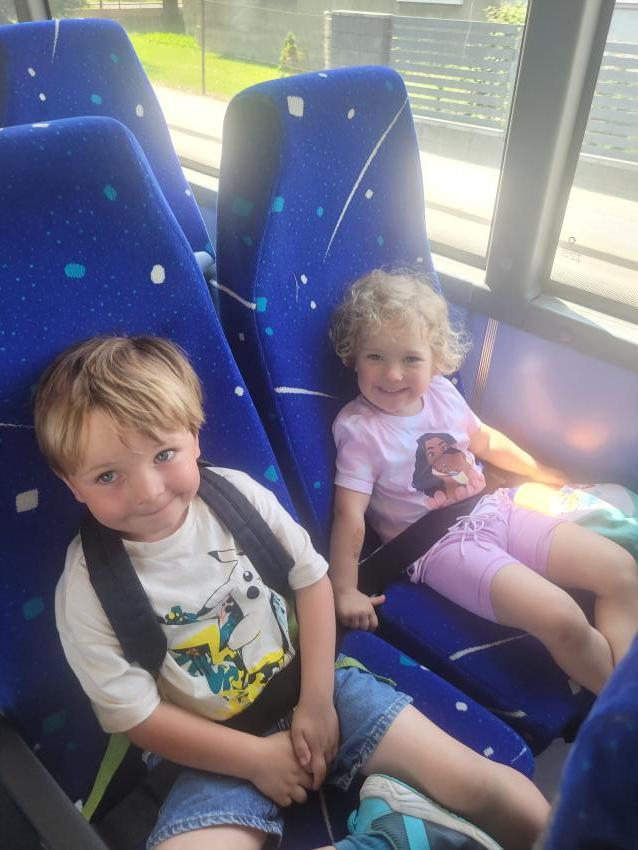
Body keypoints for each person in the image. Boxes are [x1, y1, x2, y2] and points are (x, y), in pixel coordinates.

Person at [34, 335, 549, 850]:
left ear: (194, 437)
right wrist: (256, 759)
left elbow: (311, 582)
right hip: (214, 751)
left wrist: (318, 701)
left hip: (320, 687)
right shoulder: (88, 590)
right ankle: (399, 837)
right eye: (108, 476)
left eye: (164, 454)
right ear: (72, 484)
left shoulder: (238, 497)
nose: (147, 492)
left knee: (483, 789)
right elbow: (139, 717)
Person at [329, 269, 638, 697]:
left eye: (411, 359)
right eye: (375, 357)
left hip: (496, 507)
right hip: (440, 548)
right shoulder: (359, 430)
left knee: (620, 569)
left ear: (435, 359)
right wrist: (344, 588)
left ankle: (624, 688)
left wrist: (542, 473)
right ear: (353, 357)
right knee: (563, 619)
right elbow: (350, 514)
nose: (393, 374)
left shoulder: (441, 393)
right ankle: (619, 711)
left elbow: (486, 441)